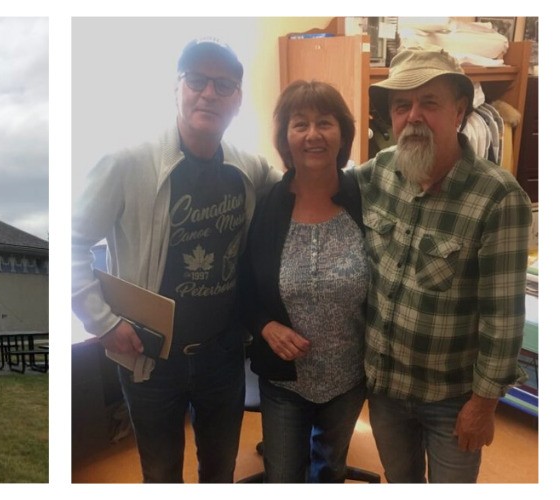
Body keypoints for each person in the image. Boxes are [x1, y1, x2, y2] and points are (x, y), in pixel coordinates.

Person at [71, 37, 280, 483]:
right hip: (151, 357)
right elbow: (72, 242)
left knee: (220, 470)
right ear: (177, 88)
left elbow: (303, 187)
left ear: (238, 100)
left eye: (224, 85)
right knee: (162, 473)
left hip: (222, 355)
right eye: (197, 81)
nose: (209, 93)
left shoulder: (249, 169)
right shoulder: (126, 164)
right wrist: (102, 321)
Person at [356, 48, 531, 483]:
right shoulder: (377, 173)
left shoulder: (498, 197)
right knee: (401, 482)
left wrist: (484, 404)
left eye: (428, 102)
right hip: (385, 389)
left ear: (458, 110)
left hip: (452, 400)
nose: (413, 116)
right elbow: (316, 186)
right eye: (401, 105)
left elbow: (503, 318)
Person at [239, 80, 367, 483]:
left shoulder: (364, 199)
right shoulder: (265, 205)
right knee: (284, 478)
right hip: (283, 379)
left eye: (325, 123)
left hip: (349, 375)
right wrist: (265, 325)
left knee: (330, 472)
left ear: (342, 134)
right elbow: (241, 284)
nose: (313, 134)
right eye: (300, 124)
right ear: (285, 137)